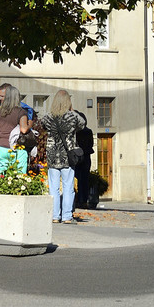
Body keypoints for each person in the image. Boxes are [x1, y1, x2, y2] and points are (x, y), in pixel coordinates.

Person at [38, 91, 87, 224]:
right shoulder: (72, 116)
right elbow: (83, 124)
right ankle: (66, 216)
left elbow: (41, 126)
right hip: (68, 155)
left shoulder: (48, 117)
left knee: (53, 187)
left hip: (53, 155)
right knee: (68, 187)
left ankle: (54, 216)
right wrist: (71, 110)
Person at [0, 83, 30, 171]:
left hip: (1, 148)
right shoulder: (21, 112)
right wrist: (29, 125)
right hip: (17, 148)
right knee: (19, 177)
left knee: (2, 176)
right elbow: (23, 130)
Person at [71, 108, 97, 212]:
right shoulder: (89, 131)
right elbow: (90, 144)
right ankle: (83, 200)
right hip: (86, 157)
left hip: (77, 157)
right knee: (84, 180)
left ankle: (76, 200)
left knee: (75, 178)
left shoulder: (75, 132)